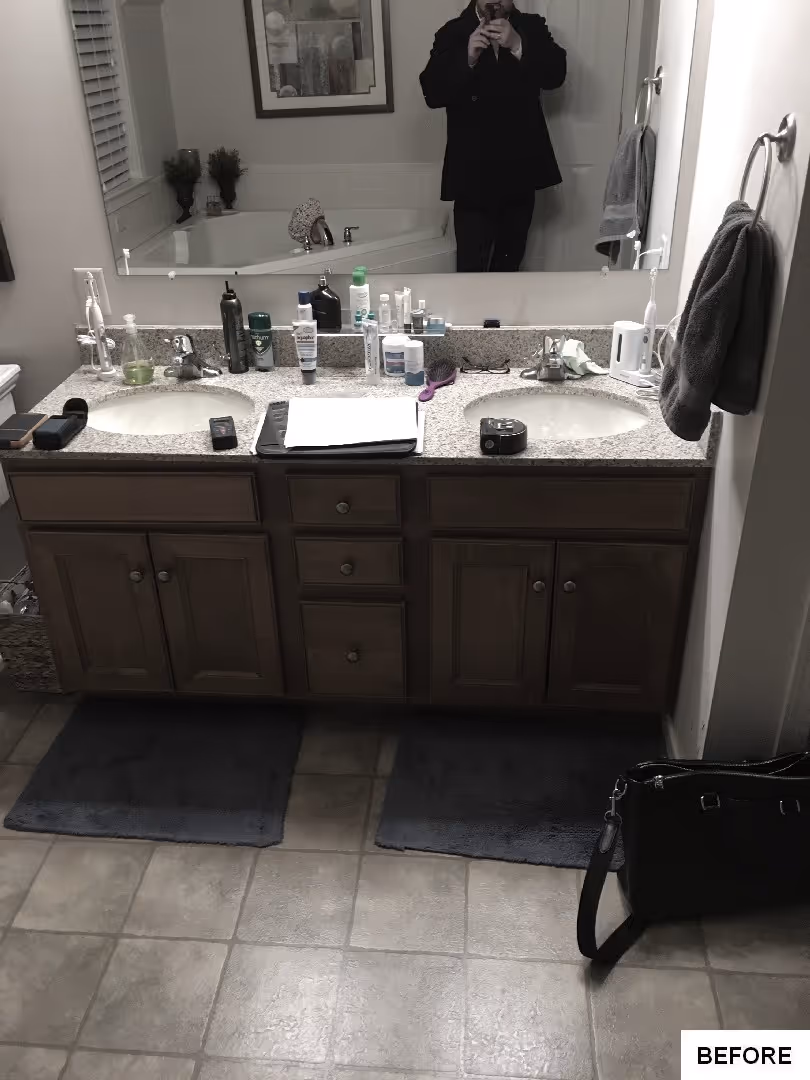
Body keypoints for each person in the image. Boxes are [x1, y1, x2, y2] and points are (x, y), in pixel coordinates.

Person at [420, 0, 567, 273]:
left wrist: (518, 44)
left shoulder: (531, 27)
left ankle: (504, 316)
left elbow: (556, 74)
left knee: (509, 267)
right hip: (471, 175)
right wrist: (466, 57)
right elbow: (432, 92)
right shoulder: (452, 32)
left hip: (520, 171)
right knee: (470, 270)